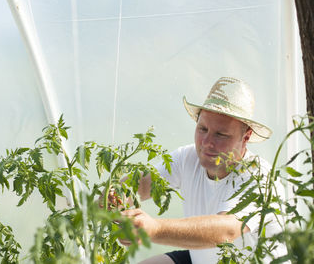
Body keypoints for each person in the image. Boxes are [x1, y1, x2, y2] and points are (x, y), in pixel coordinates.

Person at [115, 77, 286, 264]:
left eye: (221, 134)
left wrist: (154, 228)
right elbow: (143, 184)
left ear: (245, 137)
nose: (206, 143)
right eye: (202, 129)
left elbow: (226, 230)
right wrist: (114, 195)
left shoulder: (259, 176)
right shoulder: (188, 157)